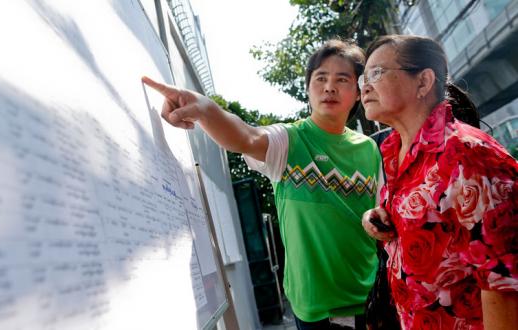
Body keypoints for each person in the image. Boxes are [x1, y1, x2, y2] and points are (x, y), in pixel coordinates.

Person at [143, 38, 383, 329]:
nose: (329, 87)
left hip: (372, 298)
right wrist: (205, 109)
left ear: (358, 92)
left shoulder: (370, 150)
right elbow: (246, 136)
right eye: (320, 78)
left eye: (342, 79)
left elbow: (380, 216)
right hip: (317, 311)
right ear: (308, 88)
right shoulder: (290, 141)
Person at [360, 34, 518, 330]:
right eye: (363, 79)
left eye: (377, 73)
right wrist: (378, 216)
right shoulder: (395, 152)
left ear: (423, 82)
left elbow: (504, 283)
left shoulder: (465, 153)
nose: (365, 87)